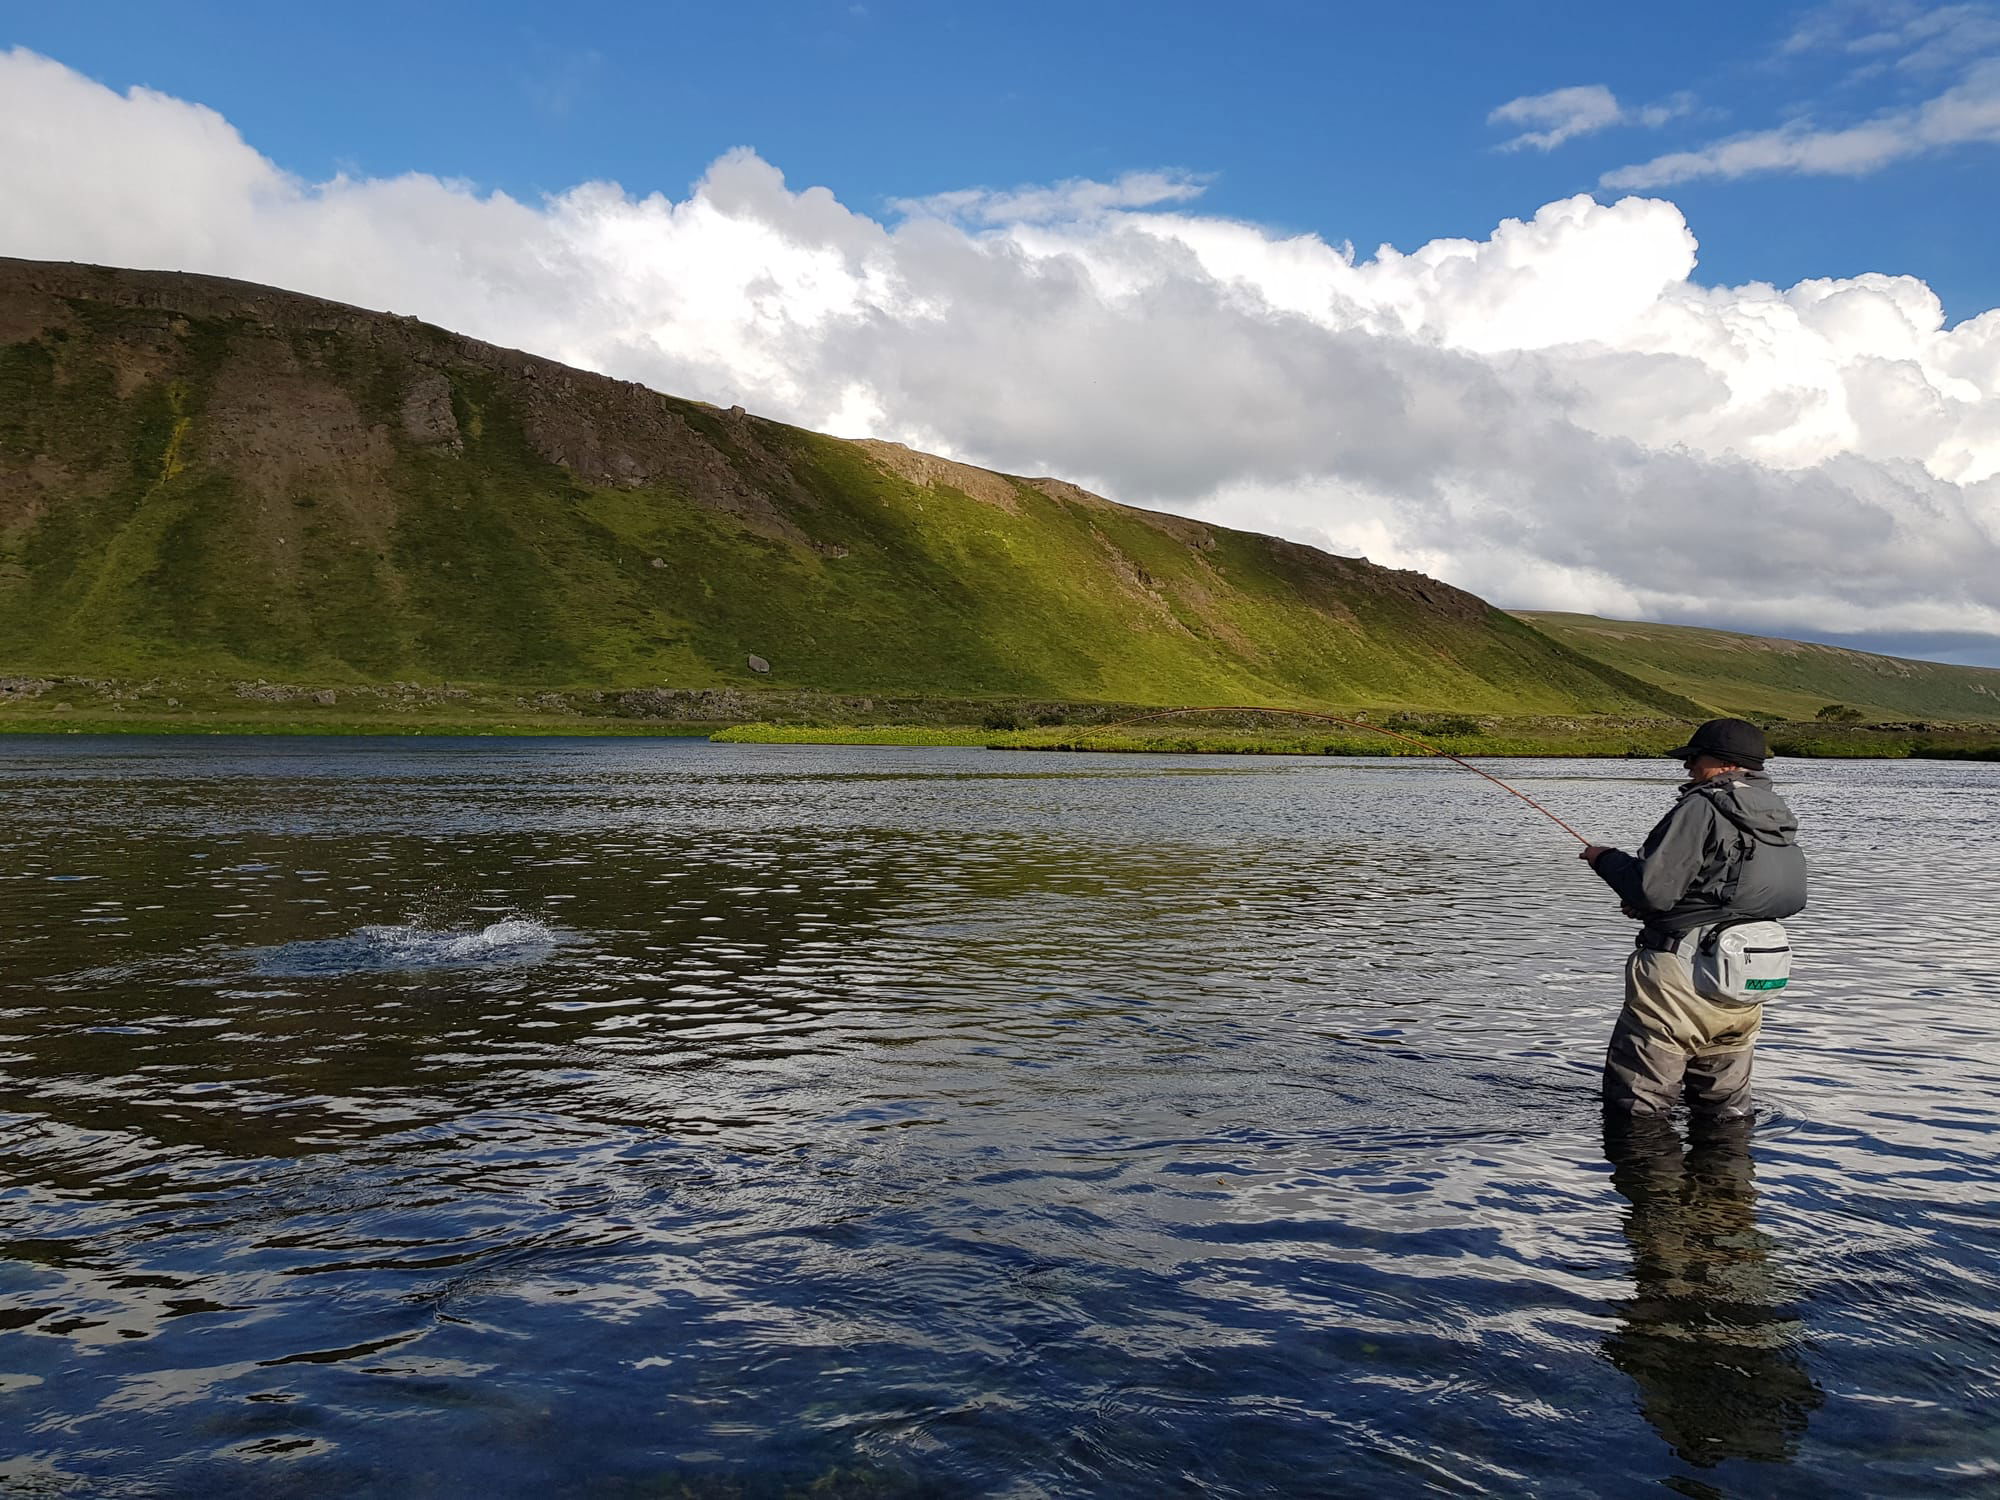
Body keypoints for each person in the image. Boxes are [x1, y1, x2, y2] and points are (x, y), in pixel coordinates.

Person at [1579, 718, 1808, 1121]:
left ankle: (1646, 1181)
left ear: (1721, 763)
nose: (1687, 768)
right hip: (1742, 980)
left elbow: (1650, 889)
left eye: (1693, 759)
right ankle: (1729, 1181)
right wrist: (1663, 909)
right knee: (1726, 1113)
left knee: (1639, 1111)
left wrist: (1605, 860)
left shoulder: (1701, 806)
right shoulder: (1775, 813)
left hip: (1679, 978)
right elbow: (1743, 891)